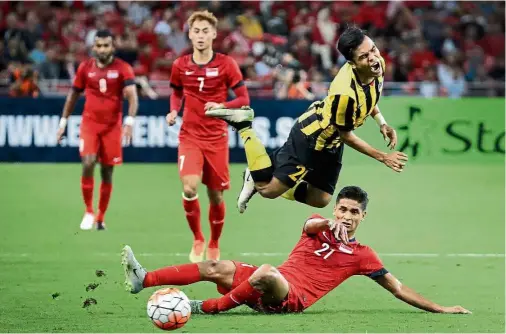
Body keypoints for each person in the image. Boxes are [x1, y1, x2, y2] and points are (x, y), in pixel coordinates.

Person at [121, 186, 471, 315]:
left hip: (291, 298)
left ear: (363, 217)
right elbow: (310, 224)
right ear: (335, 210)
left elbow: (397, 288)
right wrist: (324, 225)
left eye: (354, 212)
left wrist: (439, 307)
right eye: (342, 210)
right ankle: (144, 279)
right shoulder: (318, 225)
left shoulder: (364, 255)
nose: (346, 216)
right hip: (273, 281)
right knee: (215, 265)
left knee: (265, 272)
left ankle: (203, 308)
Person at [205, 26, 408, 213]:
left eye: (373, 49)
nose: (373, 57)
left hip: (331, 143)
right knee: (266, 190)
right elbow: (346, 136)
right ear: (352, 63)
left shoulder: (376, 65)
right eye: (365, 56)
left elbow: (369, 96)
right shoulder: (344, 94)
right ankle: (245, 127)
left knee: (320, 199)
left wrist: (381, 122)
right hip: (311, 137)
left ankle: (271, 174)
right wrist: (383, 157)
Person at [165, 10, 250, 262]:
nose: (200, 35)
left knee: (216, 195)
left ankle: (214, 241)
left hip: (216, 139)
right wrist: (173, 110)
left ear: (213, 34)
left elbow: (244, 99)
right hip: (189, 136)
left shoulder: (227, 64)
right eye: (196, 31)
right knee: (189, 187)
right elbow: (176, 92)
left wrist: (221, 105)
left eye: (205, 31)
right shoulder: (180, 65)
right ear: (189, 35)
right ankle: (198, 238)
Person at [56, 29, 139, 230]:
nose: (102, 49)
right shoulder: (85, 68)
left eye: (106, 45)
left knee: (107, 171)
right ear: (94, 47)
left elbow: (132, 97)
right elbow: (73, 96)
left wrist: (129, 122)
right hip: (90, 124)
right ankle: (88, 211)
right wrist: (63, 123)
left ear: (112, 47)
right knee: (88, 162)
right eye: (99, 45)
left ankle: (101, 217)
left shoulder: (123, 68)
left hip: (112, 127)